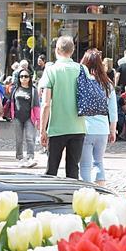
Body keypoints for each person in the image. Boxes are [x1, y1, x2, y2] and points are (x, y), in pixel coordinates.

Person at [39, 36, 87, 178]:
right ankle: (72, 198)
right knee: (73, 170)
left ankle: (51, 198)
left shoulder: (52, 70)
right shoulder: (82, 69)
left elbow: (46, 104)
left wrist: (42, 130)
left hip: (57, 127)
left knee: (51, 170)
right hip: (78, 126)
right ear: (72, 51)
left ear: (57, 50)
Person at [79, 49, 117, 186]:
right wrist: (113, 130)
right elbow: (113, 111)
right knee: (99, 162)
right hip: (102, 129)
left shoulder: (82, 83)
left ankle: (87, 193)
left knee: (84, 165)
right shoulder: (107, 84)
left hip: (86, 127)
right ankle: (101, 189)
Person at [10, 70, 40, 168]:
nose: (23, 78)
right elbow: (11, 102)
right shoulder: (15, 89)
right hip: (17, 117)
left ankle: (30, 157)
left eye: (26, 76)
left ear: (29, 78)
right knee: (18, 139)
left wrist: (38, 119)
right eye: (21, 76)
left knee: (29, 138)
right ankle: (20, 158)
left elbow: (36, 105)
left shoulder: (33, 90)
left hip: (29, 117)